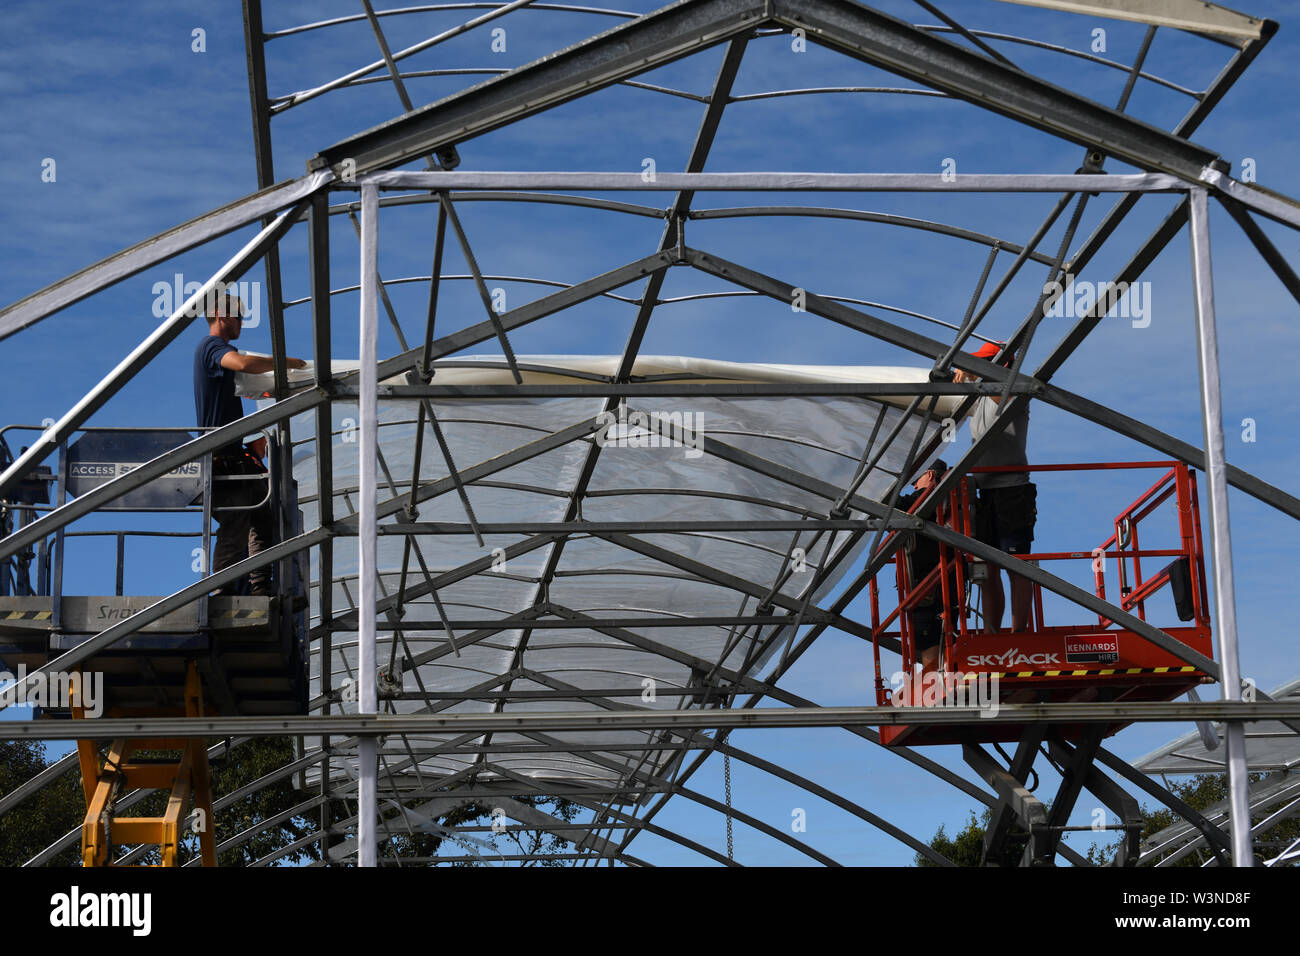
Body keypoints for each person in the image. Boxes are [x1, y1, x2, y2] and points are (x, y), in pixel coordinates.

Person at [193, 291, 306, 596]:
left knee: (265, 516)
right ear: (221, 315)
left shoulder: (216, 351)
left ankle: (259, 589)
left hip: (232, 454)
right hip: (219, 456)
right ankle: (222, 593)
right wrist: (286, 363)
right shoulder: (211, 346)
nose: (242, 321)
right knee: (236, 520)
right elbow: (241, 364)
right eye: (238, 316)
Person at [953, 341, 1037, 633]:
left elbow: (1006, 391)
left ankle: (1019, 632)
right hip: (986, 493)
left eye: (982, 363)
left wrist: (975, 375)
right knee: (987, 570)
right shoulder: (979, 398)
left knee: (1016, 564)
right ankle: (992, 633)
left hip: (1012, 490)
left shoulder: (1015, 392)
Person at [896, 459, 961, 677]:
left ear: (931, 475)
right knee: (944, 634)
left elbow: (890, 505)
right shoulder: (953, 500)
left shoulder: (926, 499)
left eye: (917, 480)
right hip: (950, 580)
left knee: (929, 639)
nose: (914, 486)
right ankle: (943, 678)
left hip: (929, 583)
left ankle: (935, 686)